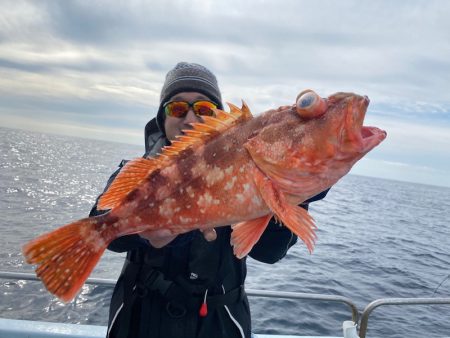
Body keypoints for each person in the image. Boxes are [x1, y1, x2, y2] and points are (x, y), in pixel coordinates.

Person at [89, 62, 329, 338]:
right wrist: (145, 235)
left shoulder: (244, 170)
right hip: (141, 320)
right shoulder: (138, 171)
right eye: (177, 109)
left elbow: (270, 252)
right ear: (162, 118)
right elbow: (101, 225)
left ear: (218, 117)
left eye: (203, 109)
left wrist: (298, 193)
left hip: (218, 324)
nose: (189, 119)